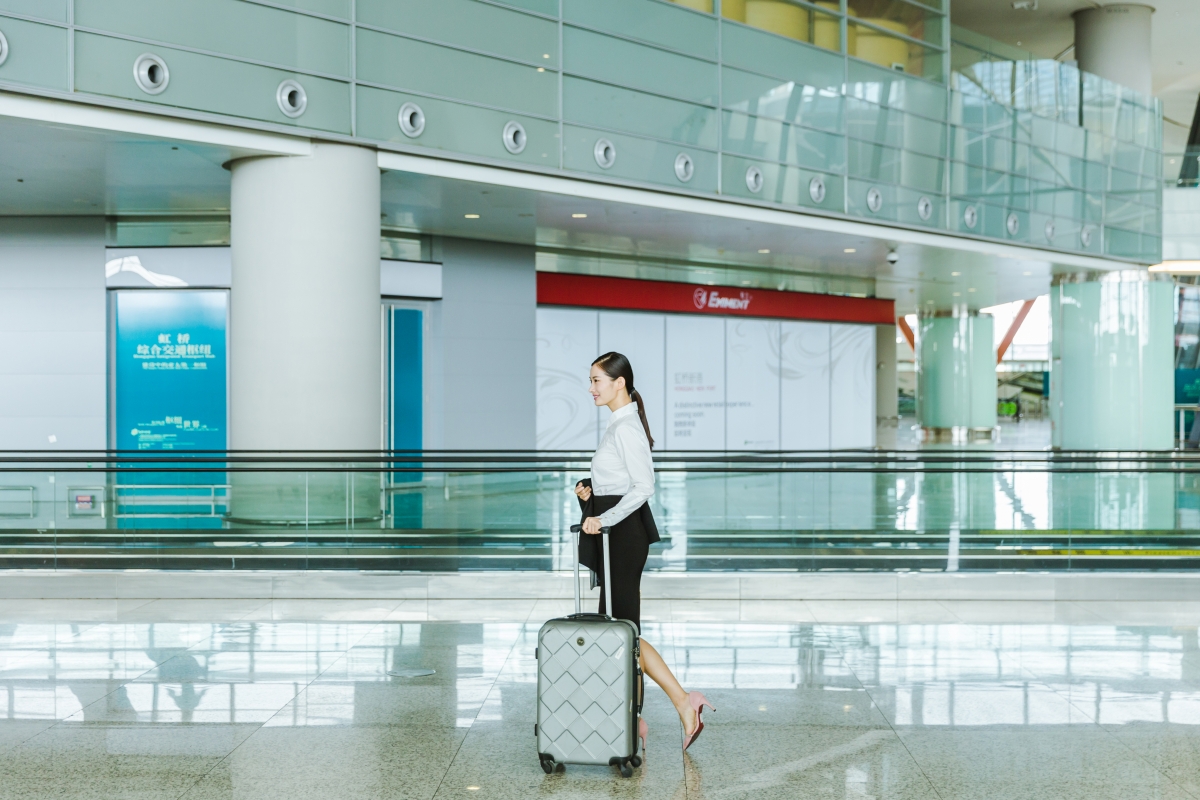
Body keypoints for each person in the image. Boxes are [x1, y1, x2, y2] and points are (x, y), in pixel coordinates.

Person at [574, 351, 714, 752]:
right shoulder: (619, 424)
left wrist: (605, 518)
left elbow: (643, 487)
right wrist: (592, 494)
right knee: (621, 630)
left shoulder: (626, 427)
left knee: (623, 632)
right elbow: (619, 481)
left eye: (597, 381)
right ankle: (632, 720)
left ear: (619, 383)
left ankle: (684, 703)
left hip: (624, 537)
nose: (591, 388)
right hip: (617, 534)